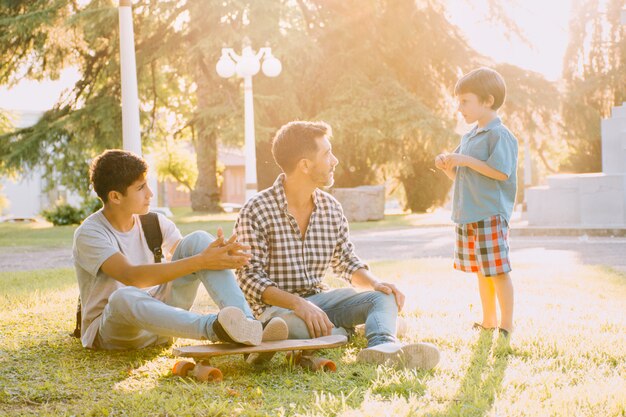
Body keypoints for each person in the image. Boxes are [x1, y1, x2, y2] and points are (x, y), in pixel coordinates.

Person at [234, 121, 440, 370]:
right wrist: (299, 304)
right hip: (277, 311)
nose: (335, 160)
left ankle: (381, 346)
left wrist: (376, 283)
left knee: (380, 299)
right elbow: (249, 279)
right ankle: (350, 331)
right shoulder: (256, 209)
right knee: (292, 326)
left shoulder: (331, 208)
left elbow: (346, 261)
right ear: (305, 164)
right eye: (327, 153)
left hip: (322, 301)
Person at [73, 149, 287, 350]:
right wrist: (202, 261)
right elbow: (131, 276)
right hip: (114, 329)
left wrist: (217, 255)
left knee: (198, 240)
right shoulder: (90, 233)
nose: (150, 193)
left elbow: (190, 258)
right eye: (140, 188)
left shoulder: (154, 222)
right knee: (123, 297)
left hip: (160, 323)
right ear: (115, 197)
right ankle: (217, 328)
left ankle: (247, 326)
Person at [434, 67, 518, 337]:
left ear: (488, 101)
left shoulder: (499, 134)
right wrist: (447, 165)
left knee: (498, 272)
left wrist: (464, 160)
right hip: (469, 214)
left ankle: (506, 325)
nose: (460, 108)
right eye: (458, 101)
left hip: (490, 213)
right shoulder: (469, 136)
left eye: (465, 101)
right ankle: (489, 320)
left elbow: (500, 172)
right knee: (483, 271)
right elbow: (459, 175)